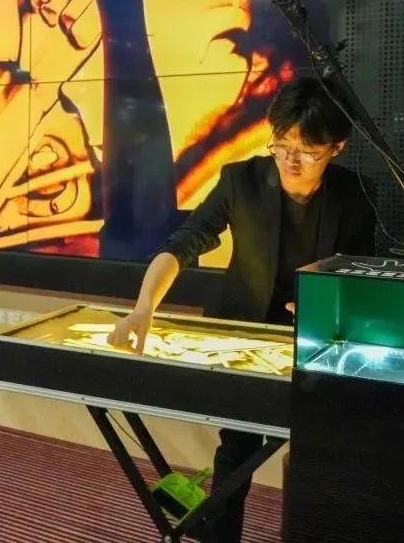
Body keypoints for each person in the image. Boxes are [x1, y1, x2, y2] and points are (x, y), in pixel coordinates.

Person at [107, 76, 377, 543]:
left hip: (316, 339)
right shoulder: (241, 180)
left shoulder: (356, 195)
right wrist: (144, 306)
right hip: (245, 332)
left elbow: (361, 275)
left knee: (322, 449)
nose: (291, 160)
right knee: (237, 450)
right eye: (282, 144)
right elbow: (183, 244)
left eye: (307, 151)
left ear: (336, 148)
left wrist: (326, 307)